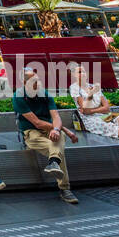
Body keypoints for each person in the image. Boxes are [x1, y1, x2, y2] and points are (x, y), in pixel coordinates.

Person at [13, 70, 79, 204]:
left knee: (57, 138)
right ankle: (64, 188)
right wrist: (62, 129)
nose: (39, 83)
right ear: (25, 83)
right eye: (35, 81)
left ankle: (53, 163)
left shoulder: (45, 94)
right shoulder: (18, 96)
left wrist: (56, 129)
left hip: (49, 130)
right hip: (32, 132)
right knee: (56, 146)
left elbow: (56, 117)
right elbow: (36, 122)